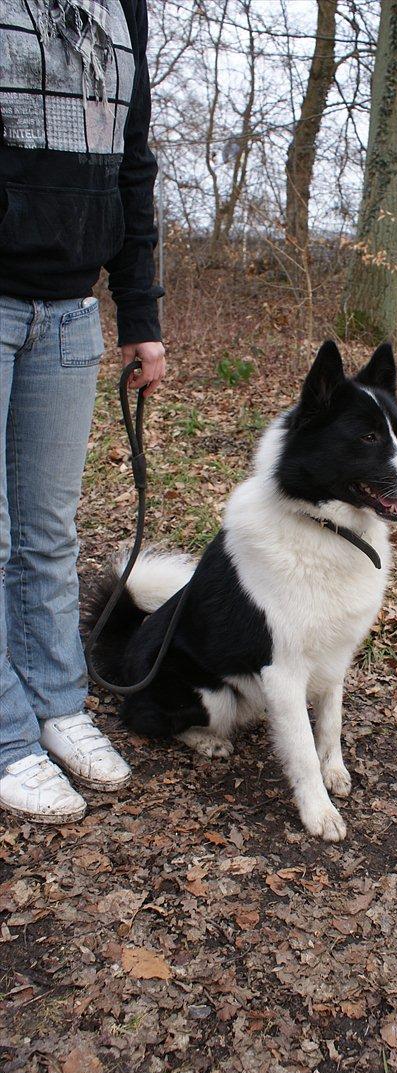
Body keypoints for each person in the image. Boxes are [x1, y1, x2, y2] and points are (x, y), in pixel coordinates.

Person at [0, 0, 165, 823]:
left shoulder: (123, 8)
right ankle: (6, 739)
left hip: (70, 311)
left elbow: (133, 170)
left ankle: (58, 706)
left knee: (46, 532)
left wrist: (142, 319)